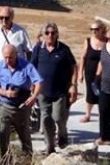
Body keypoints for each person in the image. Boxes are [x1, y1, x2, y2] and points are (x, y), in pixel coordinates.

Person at [29, 21, 78, 155]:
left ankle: (62, 135)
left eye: (53, 33)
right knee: (46, 119)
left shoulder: (63, 49)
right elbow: (31, 67)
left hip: (60, 91)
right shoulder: (38, 48)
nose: (50, 35)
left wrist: (73, 86)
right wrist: (32, 85)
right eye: (47, 33)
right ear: (43, 35)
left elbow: (74, 67)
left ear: (57, 34)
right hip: (43, 91)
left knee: (57, 117)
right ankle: (49, 146)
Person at [0, 7, 32, 133]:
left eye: (6, 18)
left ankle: (14, 129)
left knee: (14, 101)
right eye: (1, 18)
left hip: (16, 73)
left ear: (12, 17)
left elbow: (29, 52)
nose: (3, 20)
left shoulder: (20, 32)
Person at [0, 43, 42, 159]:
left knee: (24, 135)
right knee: (3, 134)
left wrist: (33, 96)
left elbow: (38, 82)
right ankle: (5, 162)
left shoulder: (26, 66)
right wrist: (5, 92)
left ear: (16, 55)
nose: (8, 60)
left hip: (21, 107)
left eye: (11, 57)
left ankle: (28, 159)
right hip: (5, 105)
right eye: (5, 57)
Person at [78, 19, 107, 124]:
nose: (94, 31)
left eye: (96, 29)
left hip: (104, 73)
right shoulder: (88, 41)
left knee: (103, 93)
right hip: (90, 72)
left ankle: (103, 115)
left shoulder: (107, 41)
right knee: (90, 93)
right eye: (92, 29)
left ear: (102, 29)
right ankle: (88, 114)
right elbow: (83, 57)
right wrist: (80, 73)